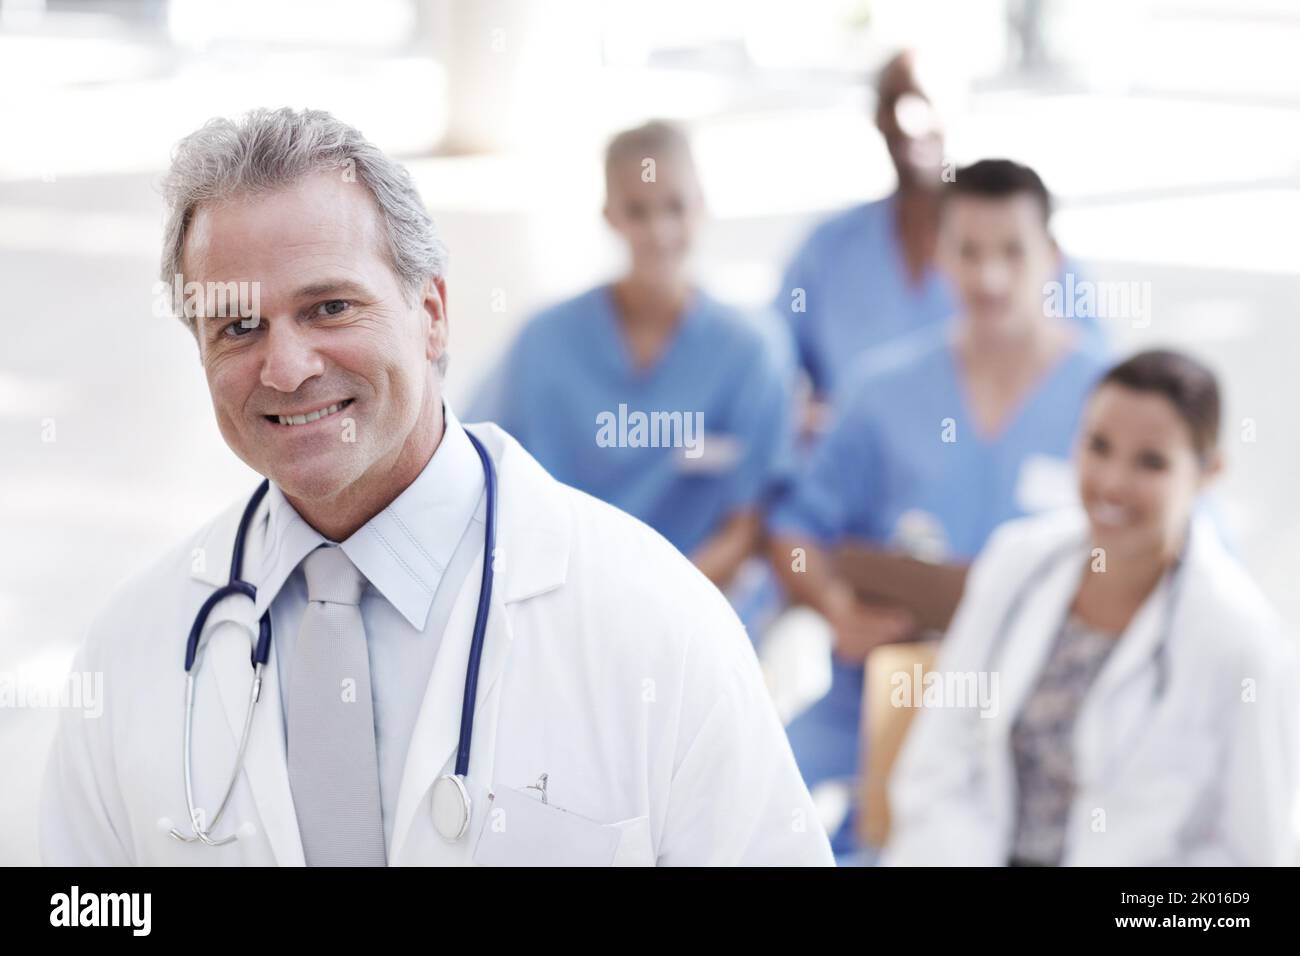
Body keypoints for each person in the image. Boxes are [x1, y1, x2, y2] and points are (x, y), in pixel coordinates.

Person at [39, 108, 832, 867]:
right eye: (237, 326)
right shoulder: (129, 656)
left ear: (433, 313)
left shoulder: (660, 626)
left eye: (330, 307)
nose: (286, 368)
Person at [766, 159, 1110, 857]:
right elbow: (794, 532)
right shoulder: (882, 392)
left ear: (1053, 258)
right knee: (757, 817)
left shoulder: (1108, 402)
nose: (989, 278)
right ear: (938, 256)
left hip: (1046, 708)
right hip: (886, 690)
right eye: (968, 251)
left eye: (1012, 251)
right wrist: (836, 606)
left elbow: (1177, 552)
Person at [886, 350, 1300, 866]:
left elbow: (1255, 859)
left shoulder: (1243, 643)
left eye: (1151, 462)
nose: (1112, 482)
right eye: (1098, 446)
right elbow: (937, 769)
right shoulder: (1016, 562)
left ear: (1208, 472)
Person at [468, 121, 794, 611]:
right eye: (637, 211)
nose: (659, 231)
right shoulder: (544, 343)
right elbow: (492, 482)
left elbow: (747, 527)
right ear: (610, 215)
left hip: (698, 606)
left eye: (675, 207)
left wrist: (653, 608)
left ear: (702, 207)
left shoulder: (751, 353)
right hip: (562, 600)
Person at [774, 50, 1105, 422]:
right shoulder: (827, 250)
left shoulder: (1031, 251)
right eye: (893, 103)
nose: (908, 122)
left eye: (925, 103)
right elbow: (772, 363)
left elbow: (1098, 385)